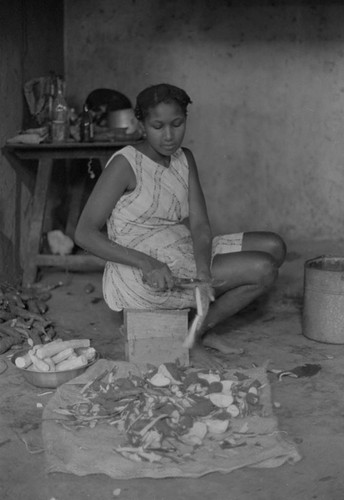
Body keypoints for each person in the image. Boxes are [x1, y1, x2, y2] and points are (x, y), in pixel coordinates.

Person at [75, 83, 286, 367]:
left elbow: (199, 224)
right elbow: (84, 233)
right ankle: (195, 333)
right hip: (142, 267)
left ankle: (199, 313)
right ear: (141, 124)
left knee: (275, 246)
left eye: (177, 124)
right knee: (263, 268)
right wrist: (147, 263)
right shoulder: (125, 164)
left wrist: (203, 272)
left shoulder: (184, 158)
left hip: (181, 246)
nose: (169, 135)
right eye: (158, 126)